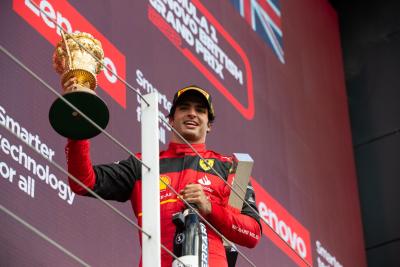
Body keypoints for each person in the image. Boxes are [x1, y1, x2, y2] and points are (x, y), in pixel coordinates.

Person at [64, 81, 262, 266]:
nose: (192, 114)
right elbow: (82, 181)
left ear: (209, 124)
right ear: (170, 120)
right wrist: (77, 124)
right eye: (184, 108)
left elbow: (252, 234)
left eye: (200, 110)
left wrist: (210, 208)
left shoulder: (227, 168)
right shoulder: (145, 163)